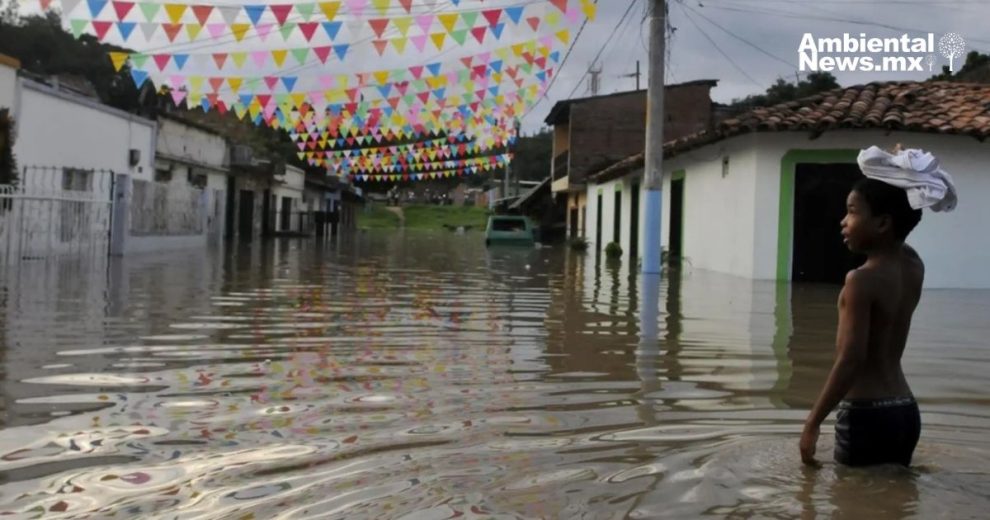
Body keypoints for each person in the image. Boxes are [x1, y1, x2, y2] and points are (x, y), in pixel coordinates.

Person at [800, 144, 957, 467]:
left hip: (865, 415)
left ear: (883, 223)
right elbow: (903, 225)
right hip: (905, 411)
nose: (843, 221)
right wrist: (900, 177)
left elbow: (851, 359)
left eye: (853, 211)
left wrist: (813, 423)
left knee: (851, 505)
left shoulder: (860, 280)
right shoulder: (914, 265)